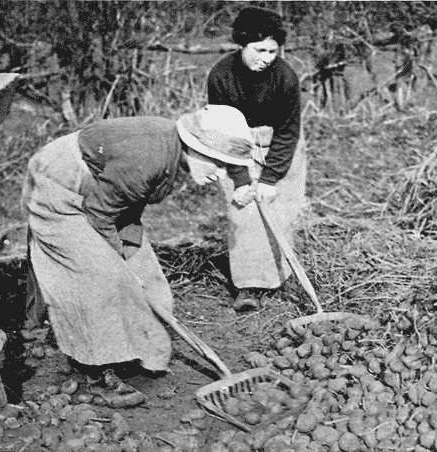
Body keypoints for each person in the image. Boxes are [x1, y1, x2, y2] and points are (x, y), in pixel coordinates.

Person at [21, 105, 254, 402]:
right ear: (194, 146)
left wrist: (243, 181)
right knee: (101, 275)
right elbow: (100, 215)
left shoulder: (187, 150)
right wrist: (117, 260)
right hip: (61, 185)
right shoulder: (147, 158)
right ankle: (95, 372)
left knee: (148, 278)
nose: (220, 174)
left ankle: (139, 353)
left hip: (109, 191)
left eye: (227, 166)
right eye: (217, 164)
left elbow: (226, 156)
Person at [206, 6, 306, 311]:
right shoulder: (221, 76)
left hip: (279, 143)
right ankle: (248, 286)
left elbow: (289, 131)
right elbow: (223, 132)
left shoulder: (286, 77)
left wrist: (271, 178)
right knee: (243, 212)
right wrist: (240, 179)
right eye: (259, 50)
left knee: (281, 212)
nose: (266, 57)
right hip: (238, 143)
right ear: (242, 44)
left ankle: (281, 278)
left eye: (273, 51)